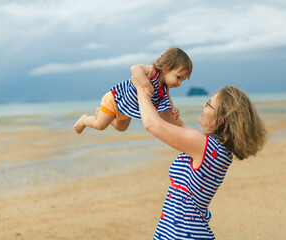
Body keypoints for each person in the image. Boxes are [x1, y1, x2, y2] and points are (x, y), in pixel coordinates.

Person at [131, 67, 267, 239]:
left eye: (209, 104)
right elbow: (174, 123)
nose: (203, 105)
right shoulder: (217, 149)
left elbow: (152, 124)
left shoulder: (206, 146)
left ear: (220, 120)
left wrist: (139, 88)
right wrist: (161, 88)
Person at [73, 47, 192, 134]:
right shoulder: (152, 72)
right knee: (100, 125)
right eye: (178, 77)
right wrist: (146, 84)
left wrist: (172, 108)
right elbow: (134, 69)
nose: (179, 83)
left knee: (121, 128)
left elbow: (167, 97)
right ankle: (84, 120)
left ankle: (101, 113)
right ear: (165, 68)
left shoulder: (164, 87)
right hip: (115, 100)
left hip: (128, 108)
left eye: (183, 80)